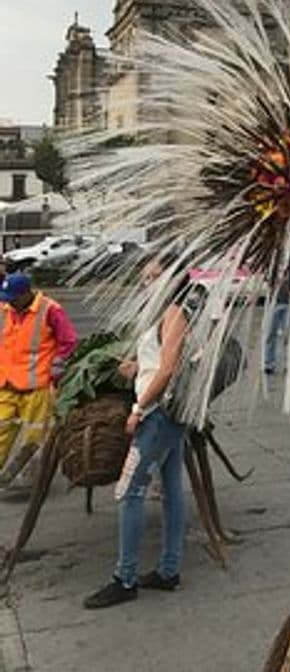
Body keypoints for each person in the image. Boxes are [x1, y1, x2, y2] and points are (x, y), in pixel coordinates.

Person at [84, 260, 200, 609]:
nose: (146, 283)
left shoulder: (175, 313)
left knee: (129, 492)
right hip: (164, 414)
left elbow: (167, 371)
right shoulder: (165, 313)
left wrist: (138, 409)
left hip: (157, 416)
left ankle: (125, 578)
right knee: (172, 491)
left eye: (152, 277)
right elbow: (157, 364)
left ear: (170, 279)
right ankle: (168, 571)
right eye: (144, 277)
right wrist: (134, 367)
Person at [0, 272, 78, 487]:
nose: (9, 302)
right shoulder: (5, 308)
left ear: (26, 294)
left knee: (34, 435)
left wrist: (56, 369)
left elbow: (68, 342)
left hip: (36, 385)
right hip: (6, 383)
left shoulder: (49, 309)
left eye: (13, 298)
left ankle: (28, 479)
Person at [263, 257, 290, 376]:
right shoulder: (272, 263)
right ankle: (269, 364)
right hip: (274, 303)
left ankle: (288, 363)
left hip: (287, 303)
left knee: (288, 335)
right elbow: (268, 280)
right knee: (270, 334)